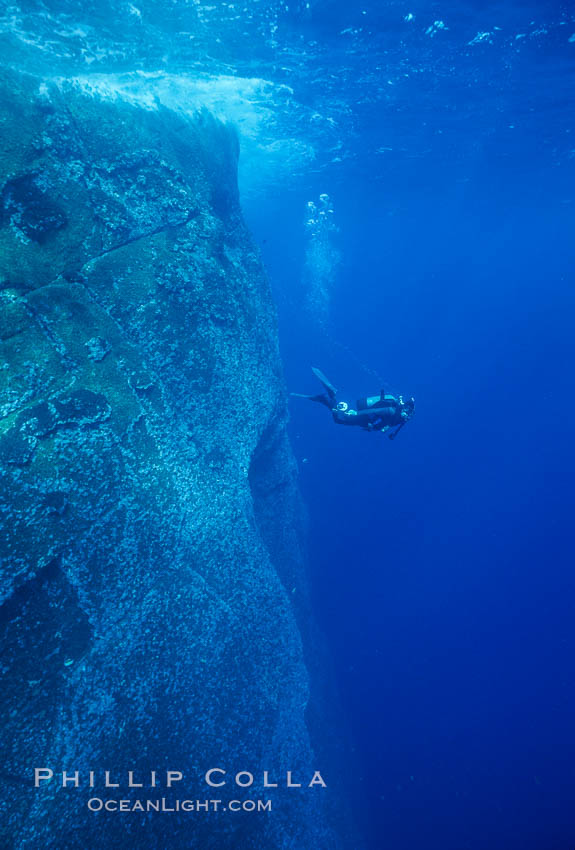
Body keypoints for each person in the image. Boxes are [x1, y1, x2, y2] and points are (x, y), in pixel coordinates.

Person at [291, 367, 415, 439]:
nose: (406, 416)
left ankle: (327, 398)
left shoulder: (396, 418)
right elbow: (375, 411)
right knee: (339, 420)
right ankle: (328, 396)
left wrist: (373, 427)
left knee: (340, 418)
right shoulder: (392, 411)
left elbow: (383, 423)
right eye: (407, 414)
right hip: (364, 415)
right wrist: (356, 413)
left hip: (366, 418)